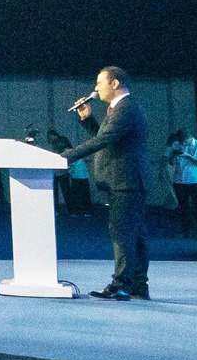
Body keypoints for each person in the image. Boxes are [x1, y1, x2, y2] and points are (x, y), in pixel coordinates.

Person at [64, 68, 152, 299]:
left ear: (114, 83)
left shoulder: (126, 108)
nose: (95, 89)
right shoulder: (121, 108)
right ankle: (137, 286)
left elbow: (104, 140)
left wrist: (66, 156)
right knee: (134, 235)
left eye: (99, 83)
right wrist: (87, 119)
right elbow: (109, 140)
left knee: (123, 234)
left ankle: (121, 285)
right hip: (127, 180)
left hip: (126, 180)